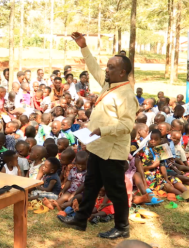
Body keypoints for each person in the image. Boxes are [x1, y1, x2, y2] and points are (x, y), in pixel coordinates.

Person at [57, 32, 138, 240]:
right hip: (97, 147)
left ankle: (122, 227)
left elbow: (128, 124)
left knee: (116, 190)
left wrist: (104, 130)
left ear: (122, 72)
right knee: (91, 184)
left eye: (111, 68)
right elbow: (94, 68)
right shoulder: (109, 84)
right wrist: (83, 47)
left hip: (112, 151)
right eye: (108, 67)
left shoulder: (127, 94)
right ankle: (80, 219)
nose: (107, 70)